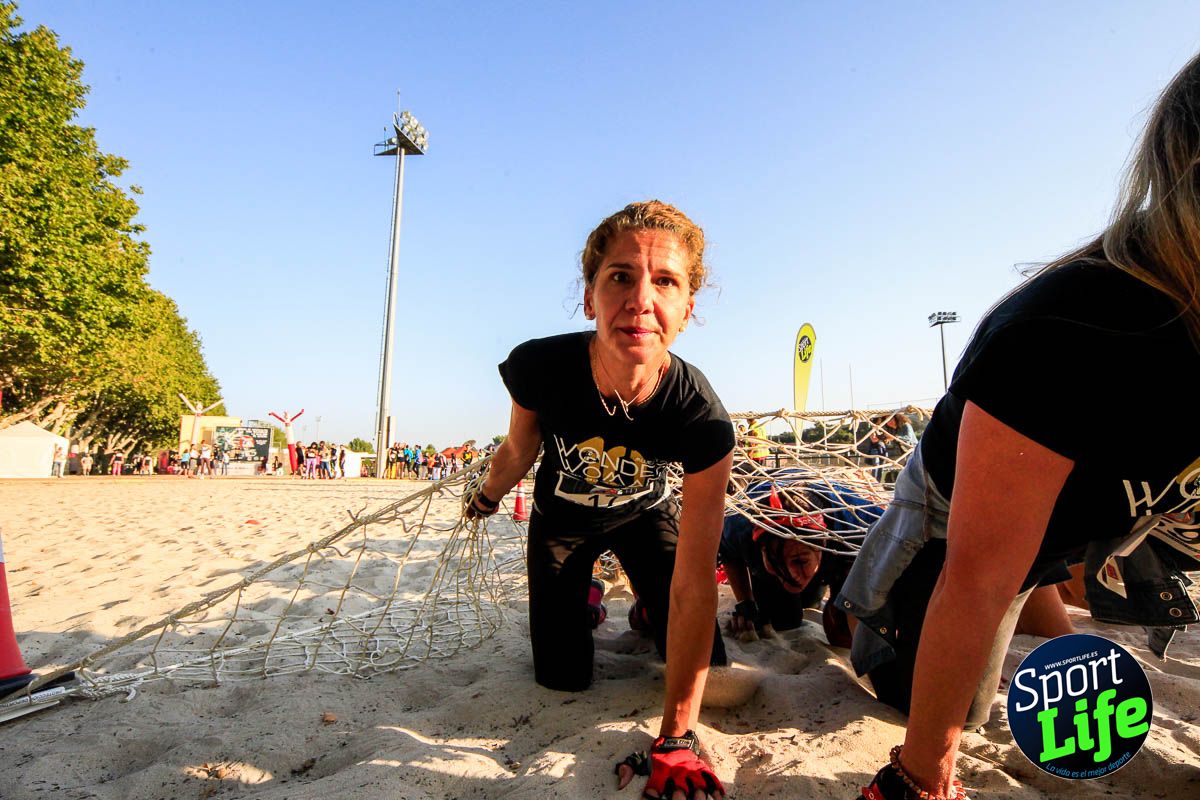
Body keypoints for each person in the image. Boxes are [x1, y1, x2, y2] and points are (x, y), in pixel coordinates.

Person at [840, 54, 1200, 800]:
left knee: (1041, 594)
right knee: (918, 688)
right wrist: (919, 776)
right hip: (956, 518)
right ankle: (851, 615)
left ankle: (1032, 600)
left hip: (1081, 518)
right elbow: (977, 577)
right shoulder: (1068, 331)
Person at [465, 201, 733, 800]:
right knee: (561, 677)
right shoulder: (540, 367)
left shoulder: (701, 416)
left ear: (687, 310)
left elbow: (697, 580)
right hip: (562, 522)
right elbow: (519, 449)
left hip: (645, 516)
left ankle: (643, 608)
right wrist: (485, 497)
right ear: (589, 298)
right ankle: (585, 595)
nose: (641, 299)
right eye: (620, 276)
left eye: (666, 281)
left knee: (707, 666)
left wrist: (677, 737)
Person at [721, 467, 881, 645]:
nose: (790, 574)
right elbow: (728, 552)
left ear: (822, 545)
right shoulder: (740, 525)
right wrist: (745, 603)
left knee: (842, 627)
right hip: (765, 495)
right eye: (774, 560)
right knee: (783, 620)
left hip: (838, 554)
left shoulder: (856, 521)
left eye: (800, 561)